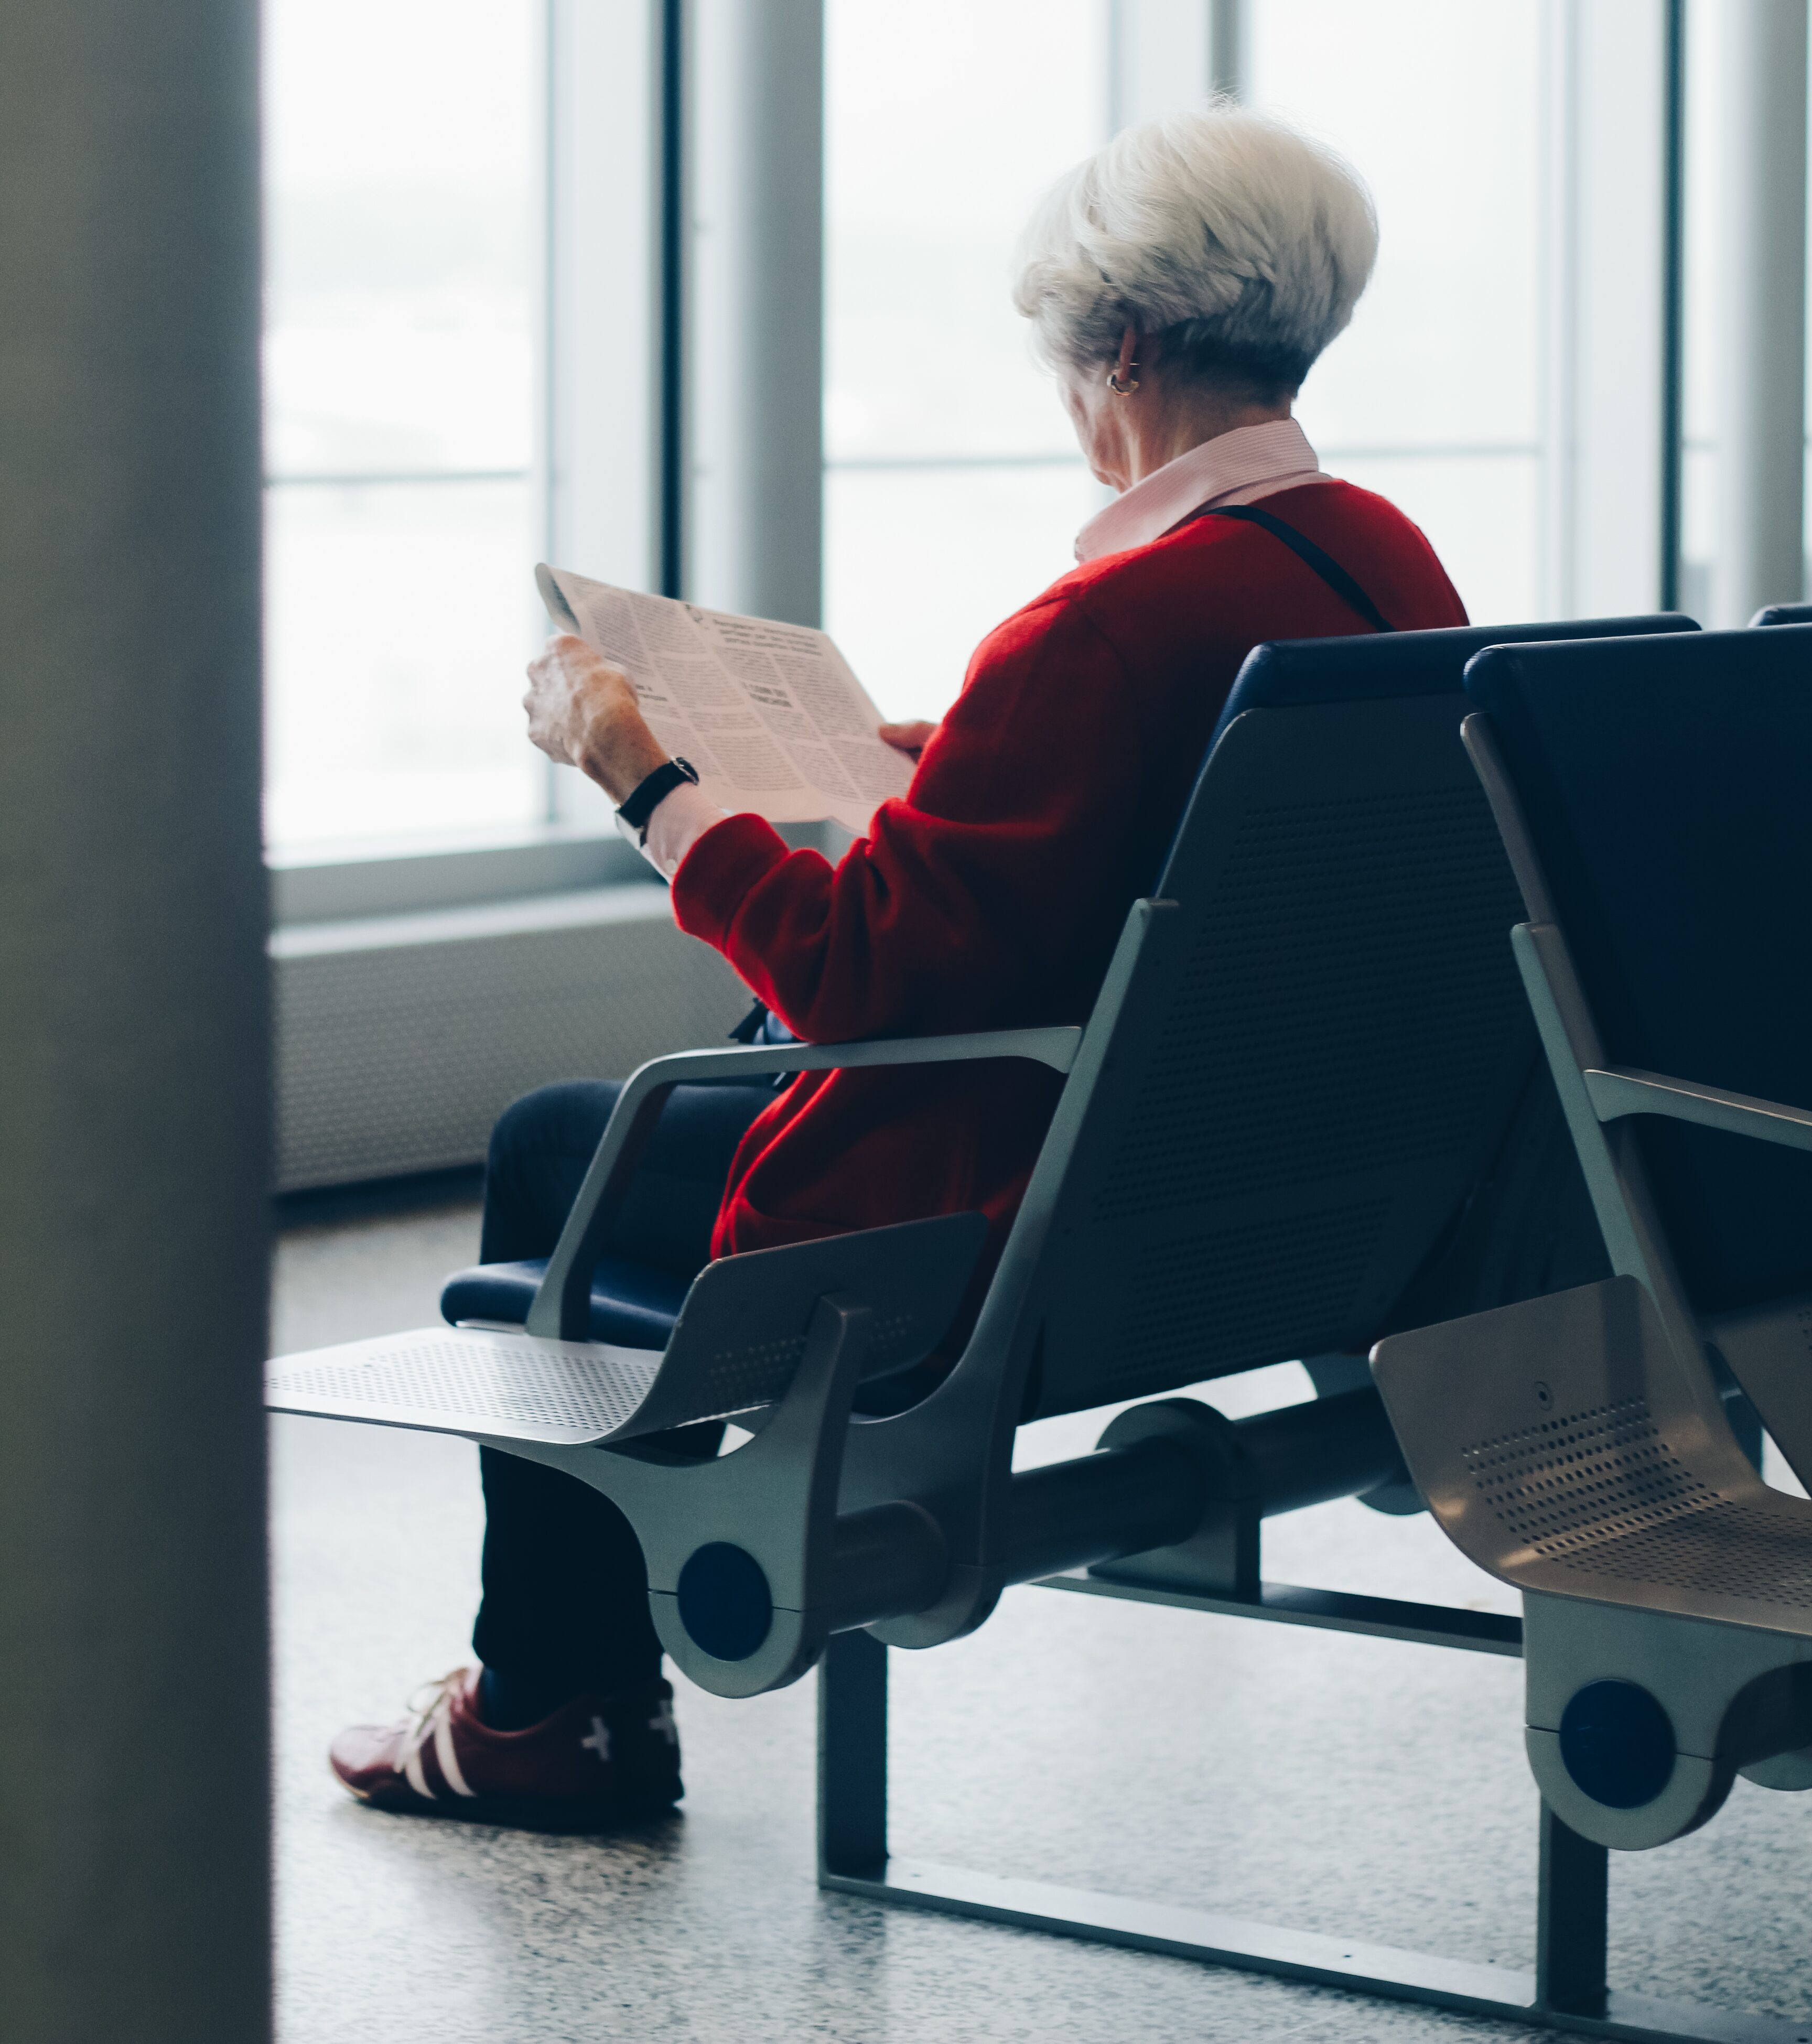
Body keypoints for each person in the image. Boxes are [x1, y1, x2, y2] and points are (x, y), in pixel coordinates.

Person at [329, 102, 1468, 1830]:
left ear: (1130, 348)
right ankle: (552, 1692)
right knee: (641, 1119)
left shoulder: (1096, 628)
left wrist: (645, 777)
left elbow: (862, 977)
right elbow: (1174, 826)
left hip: (1009, 1227)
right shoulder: (1385, 564)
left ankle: (547, 1705)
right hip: (1268, 1216)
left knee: (567, 1148)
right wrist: (955, 767)